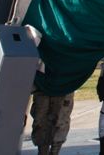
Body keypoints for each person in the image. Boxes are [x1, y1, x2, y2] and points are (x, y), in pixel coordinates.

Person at [26, 26, 74, 155]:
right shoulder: (41, 26)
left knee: (61, 118)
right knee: (41, 119)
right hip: (43, 81)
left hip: (64, 81)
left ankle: (54, 151)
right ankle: (42, 151)